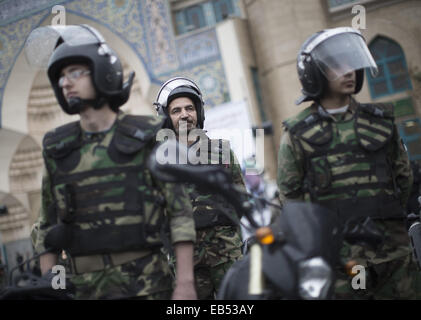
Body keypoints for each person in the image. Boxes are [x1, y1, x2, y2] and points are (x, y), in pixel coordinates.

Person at [27, 25, 197, 300]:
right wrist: (51, 287)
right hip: (85, 289)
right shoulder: (57, 148)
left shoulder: (149, 135)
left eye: (74, 73)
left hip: (148, 284)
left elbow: (180, 213)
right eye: (60, 77)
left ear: (102, 70)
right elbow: (47, 227)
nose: (65, 83)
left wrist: (186, 284)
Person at [277, 27, 421, 299]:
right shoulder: (297, 133)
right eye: (336, 65)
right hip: (343, 261)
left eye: (351, 62)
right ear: (314, 73)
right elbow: (291, 199)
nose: (349, 70)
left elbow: (403, 179)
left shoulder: (380, 120)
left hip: (395, 254)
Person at [154, 77, 244, 299]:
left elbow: (240, 199)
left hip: (227, 254)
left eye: (189, 108)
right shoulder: (159, 162)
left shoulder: (222, 152)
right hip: (186, 262)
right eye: (176, 111)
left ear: (199, 113)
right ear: (166, 118)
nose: (184, 114)